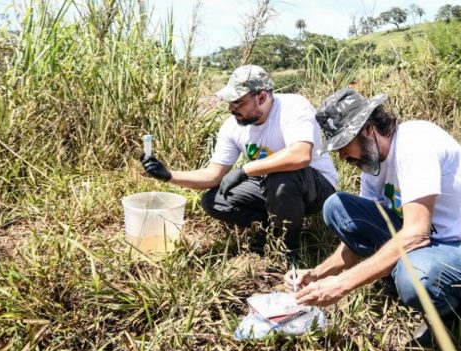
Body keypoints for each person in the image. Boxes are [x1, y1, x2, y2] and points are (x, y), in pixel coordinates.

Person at [284, 87, 461, 345]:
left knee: (415, 278)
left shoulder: (415, 144)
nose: (342, 156)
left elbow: (416, 234)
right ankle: (398, 272)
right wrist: (318, 274)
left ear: (368, 129)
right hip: (425, 245)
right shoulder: (373, 164)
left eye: (344, 145)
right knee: (337, 207)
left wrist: (341, 284)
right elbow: (358, 233)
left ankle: (448, 313)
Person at [140, 65, 338, 252]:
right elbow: (213, 175)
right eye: (230, 102)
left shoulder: (293, 106)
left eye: (237, 102)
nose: (231, 108)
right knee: (215, 200)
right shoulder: (232, 126)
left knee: (280, 177)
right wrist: (169, 175)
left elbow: (300, 155)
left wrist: (245, 170)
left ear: (261, 97)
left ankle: (288, 250)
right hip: (271, 186)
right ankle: (272, 228)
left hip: (316, 187)